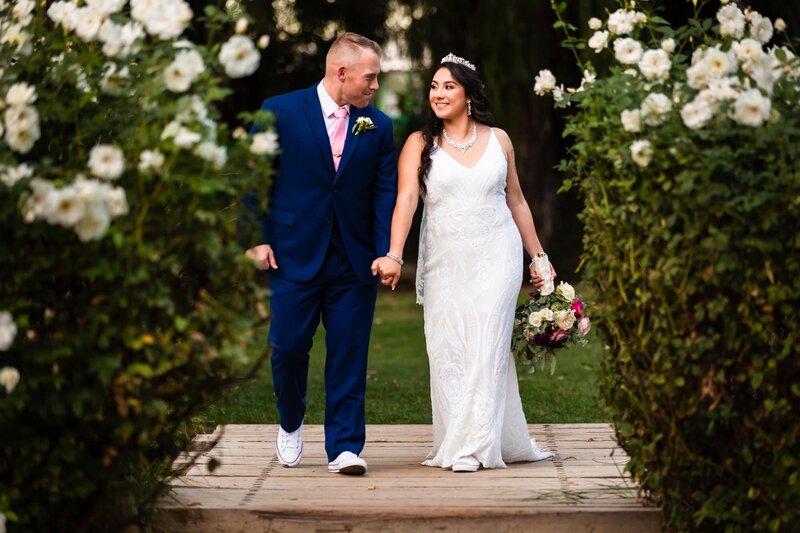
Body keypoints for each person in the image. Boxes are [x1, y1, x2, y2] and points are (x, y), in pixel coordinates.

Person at [372, 53, 555, 472]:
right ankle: (462, 436)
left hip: (497, 253)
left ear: (469, 95)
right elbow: (406, 201)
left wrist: (539, 257)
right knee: (451, 349)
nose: (438, 93)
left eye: (448, 86)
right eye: (434, 86)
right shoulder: (420, 144)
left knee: (488, 345)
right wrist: (395, 254)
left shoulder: (500, 140)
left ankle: (474, 447)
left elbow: (517, 200)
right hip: (445, 263)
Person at [245, 33, 397, 475]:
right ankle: (290, 422)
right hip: (292, 254)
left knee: (349, 351)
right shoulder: (279, 110)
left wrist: (386, 250)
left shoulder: (378, 125)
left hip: (354, 259)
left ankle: (345, 446)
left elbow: (384, 191)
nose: (375, 86)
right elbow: (253, 178)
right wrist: (255, 237)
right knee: (288, 347)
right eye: (370, 77)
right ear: (341, 72)